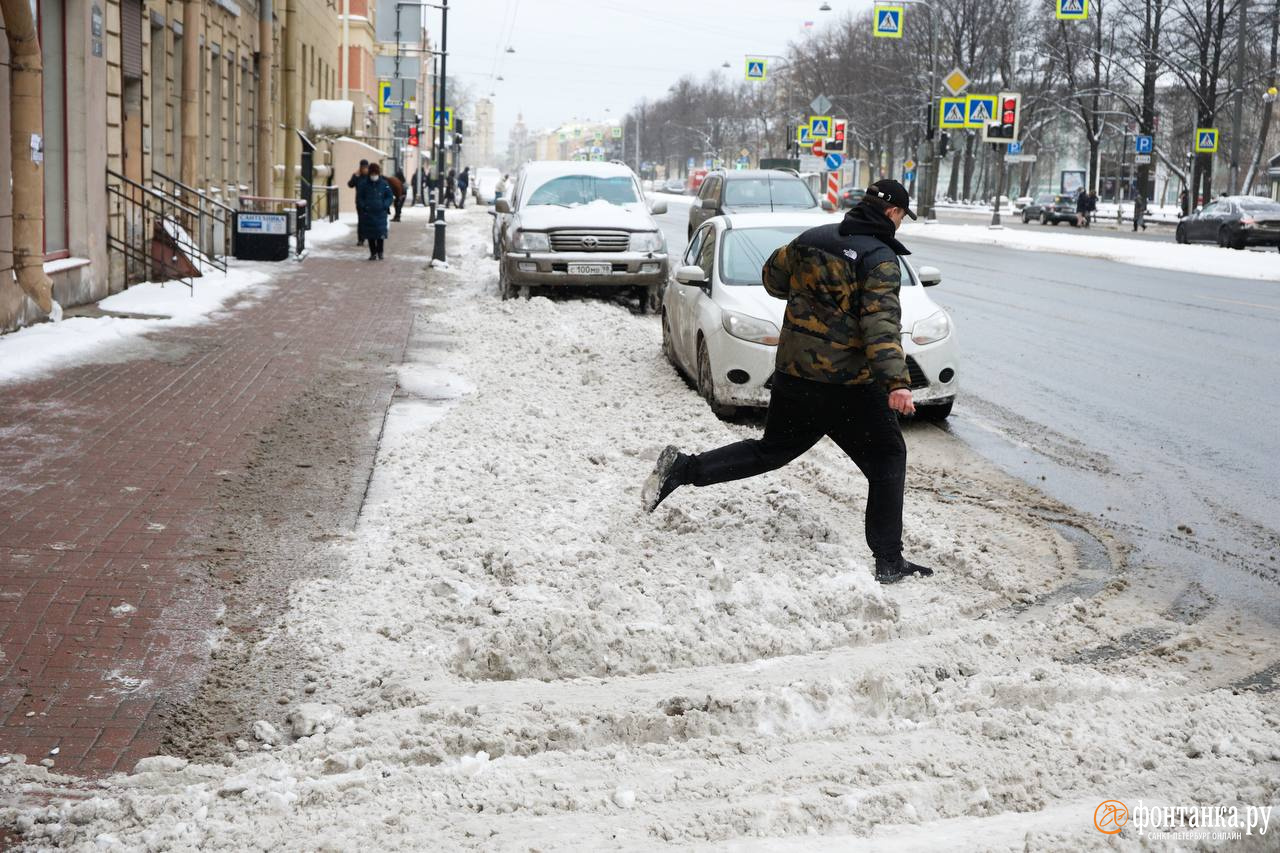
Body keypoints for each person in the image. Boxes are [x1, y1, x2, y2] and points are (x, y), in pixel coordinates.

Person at [640, 179, 936, 586]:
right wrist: (897, 384)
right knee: (887, 459)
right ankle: (888, 561)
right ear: (891, 214)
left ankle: (683, 469)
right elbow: (881, 326)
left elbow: (772, 280)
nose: (900, 223)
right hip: (848, 386)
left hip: (796, 376)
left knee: (771, 450)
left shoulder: (812, 239)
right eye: (902, 216)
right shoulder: (880, 259)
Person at [355, 162, 394, 260]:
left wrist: (385, 205)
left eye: (375, 174)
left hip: (381, 213)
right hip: (368, 213)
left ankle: (380, 252)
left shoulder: (384, 184)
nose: (374, 176)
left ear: (378, 173)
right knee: (370, 235)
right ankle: (373, 253)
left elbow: (389, 196)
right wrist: (364, 206)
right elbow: (360, 197)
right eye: (372, 174)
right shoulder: (364, 184)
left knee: (380, 234)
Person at [347, 159, 370, 246]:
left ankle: (370, 237)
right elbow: (350, 185)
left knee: (370, 221)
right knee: (361, 221)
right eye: (363, 167)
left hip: (370, 202)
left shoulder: (370, 176)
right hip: (360, 203)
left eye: (366, 167)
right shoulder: (357, 176)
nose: (365, 169)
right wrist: (355, 177)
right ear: (360, 167)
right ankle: (361, 239)